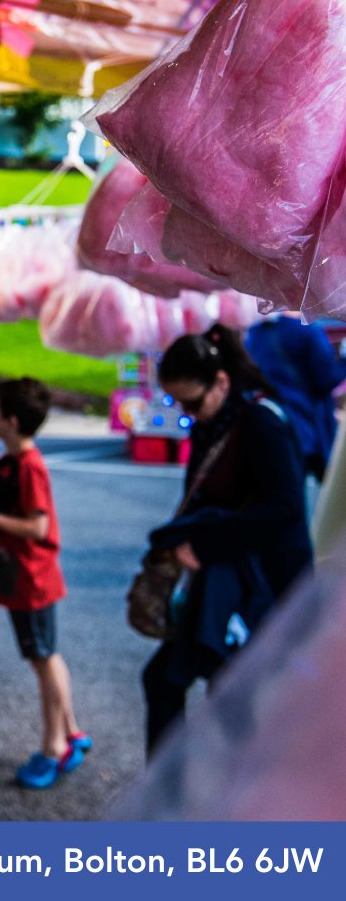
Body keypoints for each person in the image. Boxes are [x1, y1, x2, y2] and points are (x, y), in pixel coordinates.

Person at [144, 325, 313, 754]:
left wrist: (204, 546)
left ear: (220, 381)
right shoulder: (216, 421)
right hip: (226, 580)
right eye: (175, 402)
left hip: (259, 587)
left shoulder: (259, 421)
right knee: (179, 684)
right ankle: (176, 802)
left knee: (227, 699)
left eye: (191, 402)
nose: (186, 413)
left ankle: (217, 803)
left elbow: (286, 509)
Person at [0, 377, 91, 789]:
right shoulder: (15, 462)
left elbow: (38, 525)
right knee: (43, 655)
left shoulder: (30, 467)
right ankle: (71, 732)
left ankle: (55, 747)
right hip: (28, 579)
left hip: (33, 579)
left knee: (44, 658)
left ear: (10, 420)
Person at [244, 314, 345, 481]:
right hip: (308, 424)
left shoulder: (254, 334)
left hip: (276, 422)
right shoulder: (307, 330)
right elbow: (326, 378)